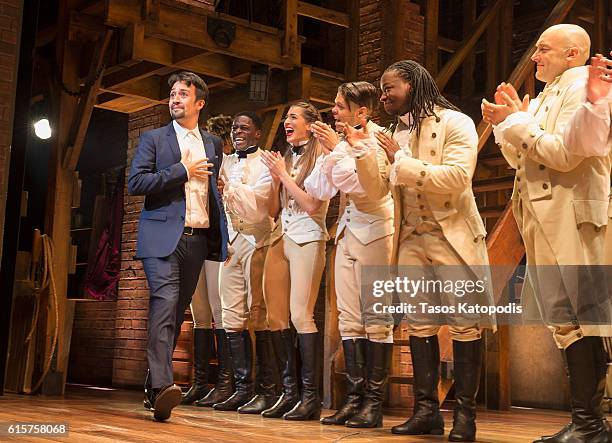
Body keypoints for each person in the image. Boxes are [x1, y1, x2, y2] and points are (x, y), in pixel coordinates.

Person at [482, 24, 611, 443]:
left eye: (543, 50)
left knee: (582, 319)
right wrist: (508, 123)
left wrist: (518, 121)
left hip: (572, 217)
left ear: (573, 54)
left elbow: (563, 155)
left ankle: (592, 424)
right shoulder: (548, 95)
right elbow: (522, 157)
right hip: (542, 217)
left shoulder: (578, 87)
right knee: (564, 319)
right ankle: (586, 422)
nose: (535, 57)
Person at [370, 60, 494, 441]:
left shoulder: (456, 123)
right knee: (419, 324)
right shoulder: (397, 132)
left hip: (451, 235)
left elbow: (458, 178)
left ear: (411, 82)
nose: (383, 95)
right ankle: (426, 412)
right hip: (410, 238)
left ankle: (465, 417)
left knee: (463, 323)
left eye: (389, 87)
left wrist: (401, 161)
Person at [127, 71, 228, 421]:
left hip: (198, 240)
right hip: (161, 238)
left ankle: (154, 382)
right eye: (172, 94)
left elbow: (213, 191)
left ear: (199, 102)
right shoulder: (154, 138)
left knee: (175, 311)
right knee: (165, 303)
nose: (175, 99)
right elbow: (136, 182)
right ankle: (161, 387)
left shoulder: (214, 143)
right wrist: (181, 170)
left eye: (182, 94)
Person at [304, 82, 395, 428]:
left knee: (377, 318)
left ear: (362, 113)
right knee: (349, 317)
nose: (334, 111)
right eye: (335, 104)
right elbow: (318, 188)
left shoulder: (380, 139)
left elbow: (368, 188)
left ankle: (373, 404)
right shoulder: (339, 144)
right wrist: (332, 150)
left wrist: (337, 152)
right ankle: (353, 401)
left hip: (377, 231)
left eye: (341, 106)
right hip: (346, 232)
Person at [259, 101, 330, 421]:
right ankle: (289, 393)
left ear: (310, 124)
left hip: (308, 237)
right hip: (280, 238)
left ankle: (310, 397)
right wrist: (276, 179)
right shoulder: (286, 157)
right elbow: (272, 210)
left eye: (293, 117)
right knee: (275, 317)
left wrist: (284, 176)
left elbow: (312, 205)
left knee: (302, 314)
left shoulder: (323, 156)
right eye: (286, 116)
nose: (287, 121)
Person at [211, 111, 279, 413]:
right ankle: (242, 388)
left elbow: (261, 204)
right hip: (230, 246)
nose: (238, 131)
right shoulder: (225, 162)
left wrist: (231, 189)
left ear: (257, 133)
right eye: (236, 128)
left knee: (259, 314)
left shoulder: (266, 161)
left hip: (257, 242)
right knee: (230, 315)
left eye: (245, 128)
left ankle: (267, 388)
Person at [182, 115, 235, 407]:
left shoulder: (230, 166)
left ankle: (225, 382)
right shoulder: (200, 166)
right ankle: (200, 382)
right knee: (199, 311)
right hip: (196, 240)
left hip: (219, 242)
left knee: (220, 309)